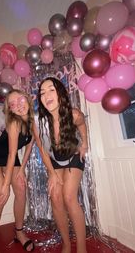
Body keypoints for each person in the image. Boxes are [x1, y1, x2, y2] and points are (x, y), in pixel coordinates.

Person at [34, 77, 88, 253]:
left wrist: (85, 143)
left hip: (73, 155)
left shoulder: (74, 114)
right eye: (42, 93)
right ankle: (66, 243)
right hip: (54, 161)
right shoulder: (39, 122)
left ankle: (81, 248)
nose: (46, 95)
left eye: (51, 90)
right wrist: (52, 173)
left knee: (69, 197)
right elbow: (42, 151)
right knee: (55, 197)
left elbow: (82, 125)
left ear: (61, 94)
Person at [0, 89, 35, 253]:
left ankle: (19, 232)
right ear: (10, 110)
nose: (18, 104)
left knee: (21, 189)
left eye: (20, 99)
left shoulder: (32, 123)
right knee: (1, 195)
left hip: (10, 157)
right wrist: (5, 183)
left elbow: (29, 145)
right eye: (13, 103)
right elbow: (12, 153)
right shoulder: (14, 122)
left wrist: (22, 169)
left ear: (27, 99)